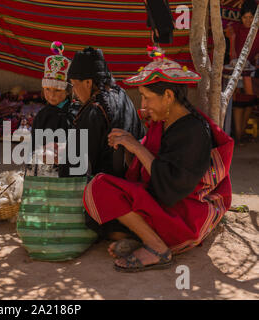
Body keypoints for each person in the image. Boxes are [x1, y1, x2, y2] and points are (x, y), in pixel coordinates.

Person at [83, 49, 234, 272]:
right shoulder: (164, 121)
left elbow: (170, 188)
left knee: (99, 187)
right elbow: (147, 166)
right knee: (96, 216)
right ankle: (148, 239)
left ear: (169, 97)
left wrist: (135, 146)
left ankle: (156, 248)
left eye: (147, 97)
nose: (143, 105)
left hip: (183, 217)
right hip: (163, 207)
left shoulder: (193, 132)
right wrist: (129, 145)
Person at [67, 46, 146, 241]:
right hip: (136, 184)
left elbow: (75, 165)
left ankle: (121, 233)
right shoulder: (121, 95)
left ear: (88, 82)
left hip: (112, 194)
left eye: (74, 85)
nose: (73, 92)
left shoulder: (94, 111)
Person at [28, 41, 75, 177]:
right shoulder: (42, 115)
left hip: (66, 171)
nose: (52, 95)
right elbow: (34, 146)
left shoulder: (73, 114)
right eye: (48, 89)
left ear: (67, 91)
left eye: (57, 90)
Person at [225, 0, 259, 142]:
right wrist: (232, 40)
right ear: (241, 17)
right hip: (236, 71)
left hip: (252, 72)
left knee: (251, 100)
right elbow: (232, 55)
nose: (248, 21)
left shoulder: (258, 31)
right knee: (238, 101)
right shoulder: (235, 29)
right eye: (245, 17)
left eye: (251, 17)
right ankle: (239, 136)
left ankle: (240, 134)